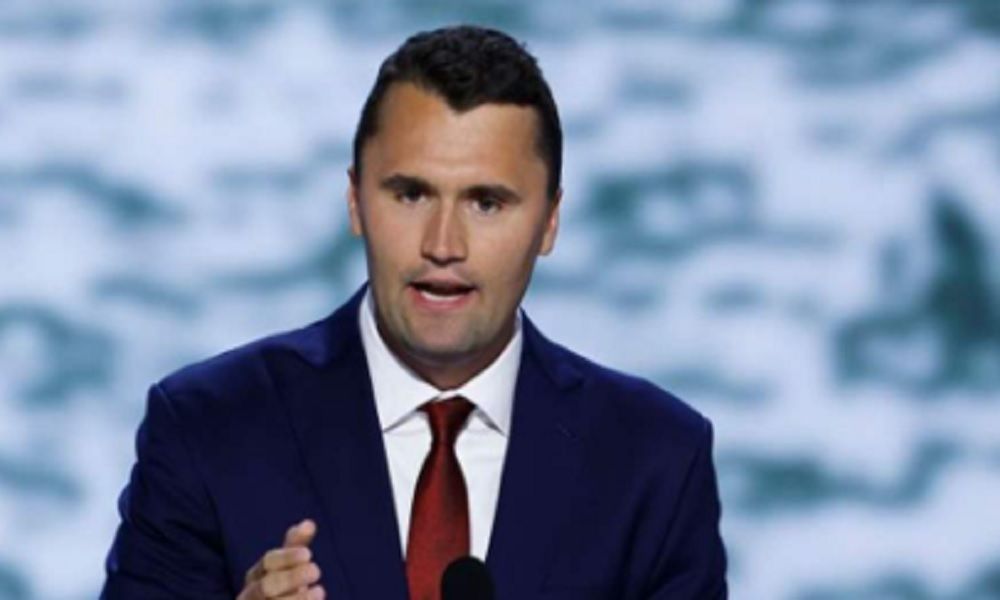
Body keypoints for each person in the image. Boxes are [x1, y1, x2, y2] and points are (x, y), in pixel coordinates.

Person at [101, 24, 727, 600]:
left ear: (549, 221)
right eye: (411, 194)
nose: (443, 245)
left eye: (486, 203)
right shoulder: (207, 429)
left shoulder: (657, 461)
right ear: (355, 200)